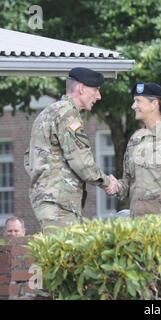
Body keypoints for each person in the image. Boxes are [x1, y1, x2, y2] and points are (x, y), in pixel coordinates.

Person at [24, 67, 119, 233]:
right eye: (96, 89)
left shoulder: (48, 112)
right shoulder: (67, 114)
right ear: (81, 88)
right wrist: (106, 182)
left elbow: (28, 158)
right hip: (60, 204)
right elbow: (81, 161)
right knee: (65, 256)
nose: (99, 96)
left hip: (50, 201)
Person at [106, 82, 161, 217]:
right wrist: (115, 186)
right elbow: (128, 183)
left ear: (154, 104)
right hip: (138, 225)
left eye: (138, 101)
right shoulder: (135, 139)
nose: (133, 106)